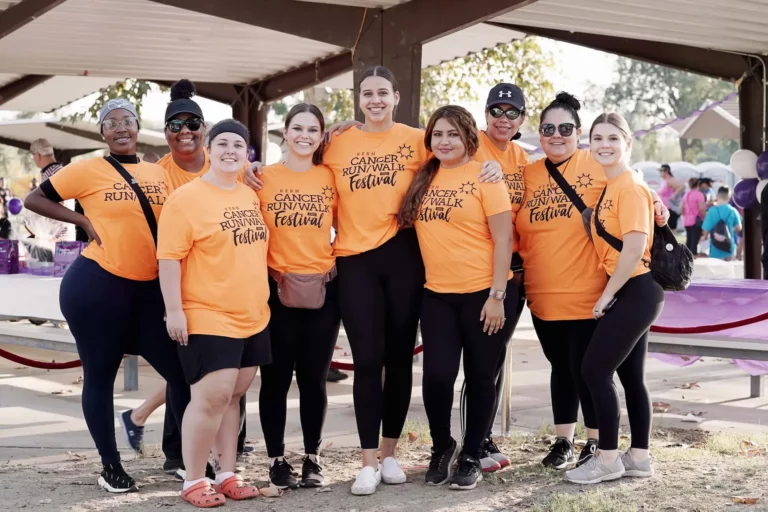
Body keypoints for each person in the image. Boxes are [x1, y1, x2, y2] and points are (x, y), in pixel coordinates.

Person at [243, 65, 503, 496]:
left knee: (400, 359)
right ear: (357, 99)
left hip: (403, 256)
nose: (376, 100)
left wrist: (490, 167)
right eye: (367, 93)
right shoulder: (338, 140)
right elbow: (299, 163)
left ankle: (390, 454)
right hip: (354, 262)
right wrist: (250, 172)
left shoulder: (416, 138)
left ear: (396, 97)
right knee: (366, 361)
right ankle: (367, 461)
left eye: (383, 92)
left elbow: (458, 155)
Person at [24, 99, 190, 493]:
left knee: (183, 373)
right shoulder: (86, 169)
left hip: (149, 290)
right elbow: (35, 199)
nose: (121, 128)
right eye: (111, 122)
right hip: (98, 287)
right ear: (102, 132)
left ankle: (184, 458)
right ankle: (111, 466)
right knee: (100, 377)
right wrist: (80, 218)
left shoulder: (158, 173)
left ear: (137, 128)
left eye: (128, 121)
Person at [118, 80, 249, 478]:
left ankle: (227, 457)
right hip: (175, 288)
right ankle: (179, 457)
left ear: (206, 130)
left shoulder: (230, 168)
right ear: (166, 131)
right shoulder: (156, 176)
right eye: (175, 124)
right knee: (184, 375)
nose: (184, 131)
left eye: (192, 123)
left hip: (225, 291)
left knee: (226, 384)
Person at [399, 105, 515, 490]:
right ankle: (442, 445)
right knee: (436, 377)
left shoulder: (486, 176)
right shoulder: (424, 176)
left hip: (484, 294)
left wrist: (497, 295)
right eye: (437, 134)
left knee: (481, 377)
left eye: (452, 134)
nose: (444, 141)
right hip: (437, 296)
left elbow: (504, 240)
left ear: (468, 136)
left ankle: (471, 454)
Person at [157, 119, 269, 507]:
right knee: (209, 397)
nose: (230, 151)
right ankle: (192, 479)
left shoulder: (249, 195)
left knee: (234, 395)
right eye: (222, 143)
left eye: (238, 145)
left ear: (247, 154)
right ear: (208, 146)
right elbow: (168, 258)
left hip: (253, 313)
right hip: (207, 313)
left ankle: (226, 472)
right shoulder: (186, 199)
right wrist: (174, 311)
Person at [565, 113, 665, 484]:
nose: (603, 145)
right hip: (631, 289)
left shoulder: (629, 186)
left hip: (635, 288)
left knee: (594, 370)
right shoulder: (614, 186)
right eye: (597, 138)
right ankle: (639, 456)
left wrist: (607, 294)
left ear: (627, 143)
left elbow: (636, 247)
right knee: (630, 376)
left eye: (612, 138)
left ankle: (607, 460)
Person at [257, 103, 340, 490]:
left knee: (314, 379)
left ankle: (313, 457)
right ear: (285, 132)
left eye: (313, 129)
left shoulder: (331, 178)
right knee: (274, 380)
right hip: (275, 290)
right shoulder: (261, 179)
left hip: (323, 288)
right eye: (297, 128)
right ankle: (276, 459)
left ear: (321, 136)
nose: (304, 135)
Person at [463, 83, 530, 472]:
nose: (503, 120)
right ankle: (477, 439)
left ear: (522, 119)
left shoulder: (523, 157)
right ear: (485, 114)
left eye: (512, 113)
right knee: (480, 362)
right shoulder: (472, 148)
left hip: (516, 273)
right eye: (496, 111)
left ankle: (482, 435)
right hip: (478, 273)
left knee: (494, 356)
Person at [701, 186, 742, 261]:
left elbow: (705, 230)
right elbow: (739, 227)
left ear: (718, 195)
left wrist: (704, 237)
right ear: (729, 197)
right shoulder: (733, 211)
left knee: (715, 271)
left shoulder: (711, 211)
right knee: (729, 271)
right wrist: (730, 231)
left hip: (715, 248)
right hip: (729, 247)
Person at [681, 178, 707, 256]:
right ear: (698, 184)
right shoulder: (699, 194)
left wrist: (686, 216)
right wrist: (705, 217)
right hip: (696, 220)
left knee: (689, 239)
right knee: (695, 241)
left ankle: (686, 257)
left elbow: (681, 208)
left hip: (687, 220)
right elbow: (701, 209)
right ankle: (693, 257)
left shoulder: (686, 194)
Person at [657, 164, 685, 230]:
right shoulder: (665, 181)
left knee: (670, 231)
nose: (660, 173)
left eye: (661, 171)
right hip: (664, 208)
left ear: (666, 171)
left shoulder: (670, 180)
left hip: (670, 209)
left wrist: (674, 196)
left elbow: (682, 186)